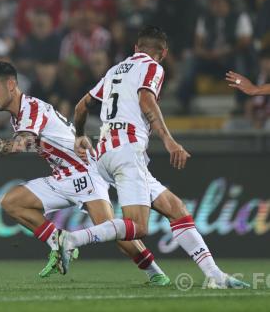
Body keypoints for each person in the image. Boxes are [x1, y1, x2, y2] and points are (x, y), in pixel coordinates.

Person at [0, 62, 170, 285]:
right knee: (12, 202)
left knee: (115, 233)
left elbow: (17, 147)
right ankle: (59, 242)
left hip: (86, 172)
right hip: (64, 175)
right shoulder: (19, 115)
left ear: (11, 84)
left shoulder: (31, 109)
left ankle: (155, 272)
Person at [69, 26, 249, 289]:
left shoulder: (113, 71)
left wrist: (79, 135)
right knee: (138, 227)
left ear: (135, 48)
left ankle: (215, 276)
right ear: (163, 53)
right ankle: (72, 240)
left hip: (105, 151)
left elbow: (80, 106)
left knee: (177, 210)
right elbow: (146, 100)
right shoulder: (153, 67)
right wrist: (169, 141)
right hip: (128, 150)